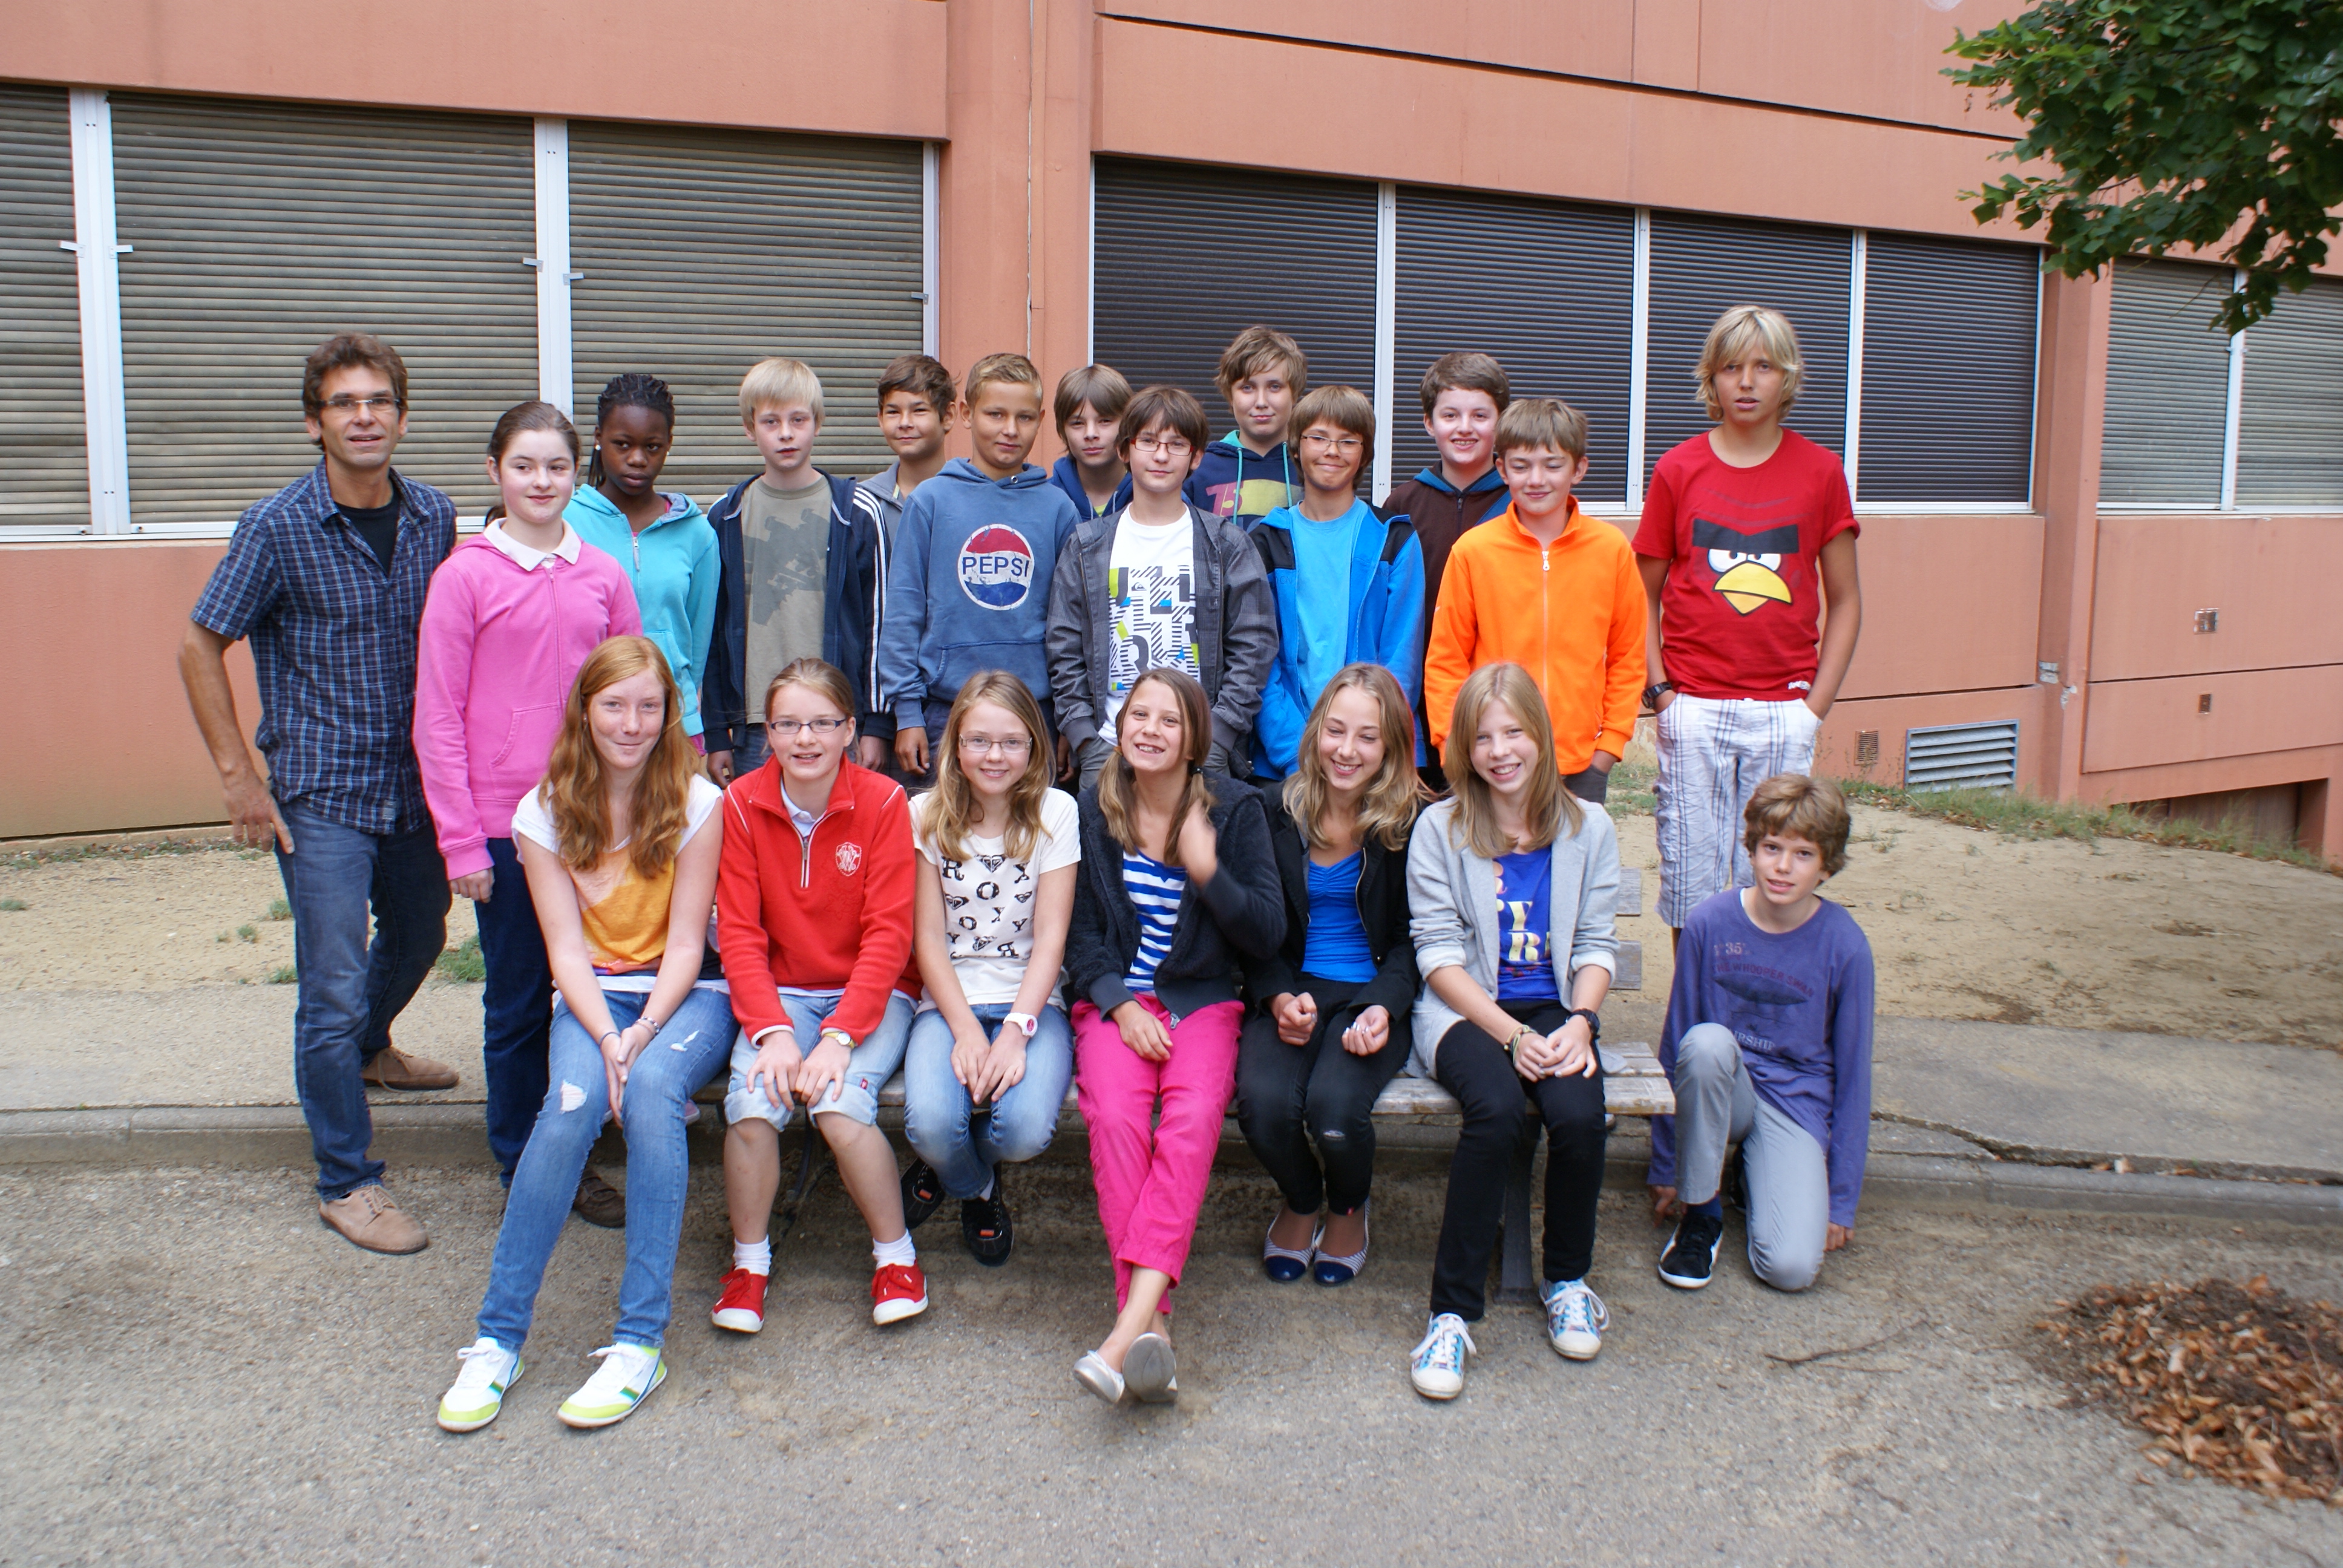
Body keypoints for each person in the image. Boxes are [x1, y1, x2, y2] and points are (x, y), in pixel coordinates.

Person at [179, 333, 459, 1256]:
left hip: (413, 788)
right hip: (321, 794)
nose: (364, 417)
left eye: (379, 401)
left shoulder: (434, 517)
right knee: (329, 989)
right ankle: (347, 1179)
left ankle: (372, 1051)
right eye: (345, 403)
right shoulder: (276, 528)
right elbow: (199, 645)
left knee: (420, 934)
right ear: (315, 423)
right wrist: (238, 778)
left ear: (402, 417)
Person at [433, 636, 732, 1432]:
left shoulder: (699, 802)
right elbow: (564, 952)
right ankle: (497, 1340)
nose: (632, 724)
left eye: (649, 707)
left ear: (668, 714)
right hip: (596, 997)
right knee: (567, 1109)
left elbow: (687, 944)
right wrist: (606, 1039)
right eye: (614, 706)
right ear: (585, 710)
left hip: (689, 995)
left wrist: (641, 1039)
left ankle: (639, 1343)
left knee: (654, 1097)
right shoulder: (542, 811)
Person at [414, 402, 641, 1223]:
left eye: (556, 466)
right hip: (504, 829)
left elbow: (634, 696)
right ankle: (523, 1161)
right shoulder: (464, 576)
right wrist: (461, 842)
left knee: (595, 987)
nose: (541, 481)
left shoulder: (603, 574)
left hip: (594, 822)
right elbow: (438, 715)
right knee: (517, 998)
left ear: (577, 474)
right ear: (495, 472)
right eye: (524, 466)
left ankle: (582, 1139)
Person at [1064, 667, 1285, 1405]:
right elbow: (1080, 935)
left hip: (1201, 1002)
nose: (1150, 731)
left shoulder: (1236, 810)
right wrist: (1118, 1005)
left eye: (1169, 720)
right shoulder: (1093, 809)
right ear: (1118, 726)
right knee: (1116, 1118)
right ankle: (1150, 1325)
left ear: (1195, 740)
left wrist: (1207, 871)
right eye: (1139, 716)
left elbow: (1265, 932)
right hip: (1115, 1001)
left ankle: (1124, 1334)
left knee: (1188, 1122)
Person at [1405, 662, 1621, 1400]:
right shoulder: (1439, 829)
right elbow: (1437, 957)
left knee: (1578, 1113)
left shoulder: (1589, 828)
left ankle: (1567, 1279)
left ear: (1541, 735)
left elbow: (1594, 943)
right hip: (1466, 1011)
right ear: (1462, 749)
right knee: (1496, 1111)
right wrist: (1509, 1037)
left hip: (1556, 1005)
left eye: (1513, 733)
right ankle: (1450, 1314)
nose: (1499, 751)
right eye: (1481, 738)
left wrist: (1582, 1023)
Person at [1633, 305, 1863, 941]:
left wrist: (1813, 708)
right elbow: (1640, 594)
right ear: (1711, 378)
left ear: (1786, 377)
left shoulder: (1821, 472)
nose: (1746, 381)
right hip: (1693, 706)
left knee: (1773, 875)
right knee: (1691, 882)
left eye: (1763, 367)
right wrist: (1662, 692)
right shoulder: (1678, 469)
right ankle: (1695, 1003)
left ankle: (1759, 1000)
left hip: (1784, 708)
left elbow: (1846, 600)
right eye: (1731, 366)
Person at [711, 659, 924, 1335]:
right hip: (782, 995)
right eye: (787, 724)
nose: (805, 739)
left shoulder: (884, 802)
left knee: (838, 1104)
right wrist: (772, 1031)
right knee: (752, 1104)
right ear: (767, 732)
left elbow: (889, 936)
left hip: (872, 993)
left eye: (822, 724)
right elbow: (739, 933)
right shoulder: (741, 804)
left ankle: (896, 1257)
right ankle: (748, 1265)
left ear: (850, 730)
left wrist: (839, 1037)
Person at [1647, 774, 1874, 1294]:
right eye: (1772, 848)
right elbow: (1676, 1041)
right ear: (1751, 849)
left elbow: (1854, 1078)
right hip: (1723, 1090)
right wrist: (1665, 1164)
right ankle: (1702, 1215)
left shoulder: (1846, 946)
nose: (1783, 866)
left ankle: (1754, 1176)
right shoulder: (1709, 923)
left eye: (1803, 854)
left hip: (1794, 1103)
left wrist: (1841, 1200)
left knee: (1790, 1269)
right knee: (1705, 1043)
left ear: (1826, 865)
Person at [1237, 664, 1423, 1287]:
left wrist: (1382, 1007)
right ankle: (1300, 1198)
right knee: (1263, 1108)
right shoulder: (1271, 811)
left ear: (1391, 746)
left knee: (1335, 1110)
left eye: (1367, 737)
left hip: (1371, 992)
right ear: (1315, 730)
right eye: (1336, 730)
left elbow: (1412, 940)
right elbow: (1253, 929)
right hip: (1294, 985)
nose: (1347, 750)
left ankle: (1346, 1207)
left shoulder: (1411, 824)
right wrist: (1275, 996)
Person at [896, 672, 1080, 1266]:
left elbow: (1050, 939)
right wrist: (968, 1032)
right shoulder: (924, 813)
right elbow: (928, 938)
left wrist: (1016, 1032)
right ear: (955, 745)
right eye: (978, 740)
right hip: (949, 1000)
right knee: (930, 1126)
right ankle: (974, 1187)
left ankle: (946, 1168)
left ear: (1034, 746)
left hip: (1033, 1002)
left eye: (1011, 742)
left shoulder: (1056, 811)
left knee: (1023, 1131)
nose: (994, 756)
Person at [1045, 384, 1277, 790]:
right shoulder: (1086, 546)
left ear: (1197, 457)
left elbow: (1254, 644)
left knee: (1202, 836)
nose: (1161, 455)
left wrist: (1218, 736)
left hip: (1200, 753)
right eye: (1148, 441)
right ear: (1125, 450)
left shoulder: (1226, 545)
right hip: (1108, 751)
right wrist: (1085, 738)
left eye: (1177, 444)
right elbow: (1063, 648)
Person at [1423, 399, 1645, 805]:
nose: (1537, 479)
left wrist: (1608, 748)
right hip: (1493, 760)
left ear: (1579, 469)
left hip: (1580, 764)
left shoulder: (1611, 549)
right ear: (1502, 469)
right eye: (1522, 466)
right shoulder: (1473, 551)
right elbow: (1446, 660)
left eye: (1553, 465)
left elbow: (1628, 656)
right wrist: (1452, 747)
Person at [877, 352, 1082, 783]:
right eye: (995, 414)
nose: (1010, 430)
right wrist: (907, 712)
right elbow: (902, 614)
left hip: (1035, 714)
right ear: (967, 414)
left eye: (1025, 417)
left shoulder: (1058, 508)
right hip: (944, 712)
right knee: (944, 825)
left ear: (1041, 420)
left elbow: (1073, 625)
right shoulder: (931, 501)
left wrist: (1068, 719)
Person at [702, 358, 890, 785]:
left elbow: (880, 624)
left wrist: (876, 725)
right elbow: (712, 633)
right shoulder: (726, 515)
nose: (785, 433)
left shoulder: (856, 511)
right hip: (755, 724)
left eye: (798, 419)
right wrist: (716, 733)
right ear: (749, 428)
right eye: (771, 421)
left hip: (837, 720)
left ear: (818, 423)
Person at [1248, 385, 1426, 780]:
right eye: (1318, 438)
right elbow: (1260, 662)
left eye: (1348, 441)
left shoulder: (1394, 539)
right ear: (1296, 447)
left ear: (1365, 454)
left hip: (1375, 759)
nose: (1332, 451)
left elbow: (1402, 660)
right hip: (1286, 761)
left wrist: (1369, 745)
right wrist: (1294, 754)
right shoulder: (1266, 540)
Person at [563, 374, 719, 754]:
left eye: (652, 447)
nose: (637, 459)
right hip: (588, 724)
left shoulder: (697, 534)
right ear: (598, 438)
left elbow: (698, 643)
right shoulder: (565, 523)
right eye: (622, 444)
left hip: (674, 722)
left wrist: (685, 708)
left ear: (668, 445)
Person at [1381, 352, 1512, 792]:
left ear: (1501, 421)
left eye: (1480, 415)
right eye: (1450, 415)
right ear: (1428, 422)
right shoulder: (1402, 505)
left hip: (1500, 695)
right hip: (1418, 701)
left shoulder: (1521, 503)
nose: (1465, 428)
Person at [1185, 325, 1305, 532]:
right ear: (1230, 396)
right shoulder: (1199, 469)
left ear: (1294, 394)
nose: (1261, 402)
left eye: (1274, 387)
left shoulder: (1311, 466)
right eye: (1247, 387)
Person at [857, 353, 958, 555]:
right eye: (893, 412)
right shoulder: (863, 504)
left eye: (919, 410)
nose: (904, 423)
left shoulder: (971, 497)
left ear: (948, 416)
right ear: (880, 419)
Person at [1048, 363, 1135, 519]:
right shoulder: (1044, 501)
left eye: (1105, 421)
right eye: (1077, 423)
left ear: (1127, 424)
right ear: (1062, 429)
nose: (1090, 434)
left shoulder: (1155, 497)